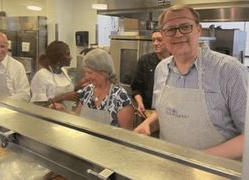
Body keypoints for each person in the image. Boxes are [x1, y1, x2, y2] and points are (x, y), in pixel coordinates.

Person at [134, 4, 247, 160]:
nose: (178, 34)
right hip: (169, 167)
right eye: (170, 29)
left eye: (185, 27)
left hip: (216, 173)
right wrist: (149, 124)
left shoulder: (230, 71)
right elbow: (168, 113)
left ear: (198, 30)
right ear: (163, 35)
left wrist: (197, 160)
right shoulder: (161, 69)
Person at [74, 48, 134, 130]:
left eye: (90, 73)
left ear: (104, 72)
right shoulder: (87, 91)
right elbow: (77, 119)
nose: (86, 77)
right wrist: (64, 111)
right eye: (85, 72)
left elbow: (128, 135)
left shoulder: (120, 97)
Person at [131, 30, 170, 116]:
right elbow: (136, 89)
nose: (155, 43)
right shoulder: (144, 61)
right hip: (148, 112)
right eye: (153, 40)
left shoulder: (176, 62)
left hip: (170, 113)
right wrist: (140, 103)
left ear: (168, 40)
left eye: (159, 40)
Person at [30, 41, 79, 110]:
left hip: (66, 115)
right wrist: (63, 97)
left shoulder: (64, 71)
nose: (71, 57)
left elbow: (68, 92)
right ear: (59, 58)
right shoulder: (41, 76)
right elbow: (38, 106)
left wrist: (78, 87)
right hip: (49, 118)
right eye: (67, 54)